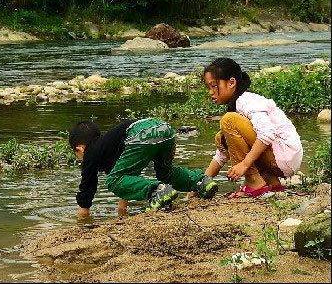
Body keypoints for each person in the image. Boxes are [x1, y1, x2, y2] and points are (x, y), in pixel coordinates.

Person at [68, 117, 218, 218]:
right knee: (166, 172)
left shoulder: (90, 154)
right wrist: (122, 212)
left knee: (112, 182)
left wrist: (82, 219)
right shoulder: (109, 144)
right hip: (164, 129)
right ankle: (200, 182)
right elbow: (127, 179)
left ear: (80, 149)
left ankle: (156, 191)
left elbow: (87, 190)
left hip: (142, 133)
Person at [202, 57, 303, 198]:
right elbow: (222, 154)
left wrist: (244, 165)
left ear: (231, 82)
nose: (210, 92)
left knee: (228, 121)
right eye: (208, 87)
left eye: (214, 86)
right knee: (221, 138)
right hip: (282, 159)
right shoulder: (237, 105)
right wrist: (200, 185)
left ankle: (253, 182)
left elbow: (267, 133)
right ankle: (271, 181)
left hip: (284, 157)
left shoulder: (246, 101)